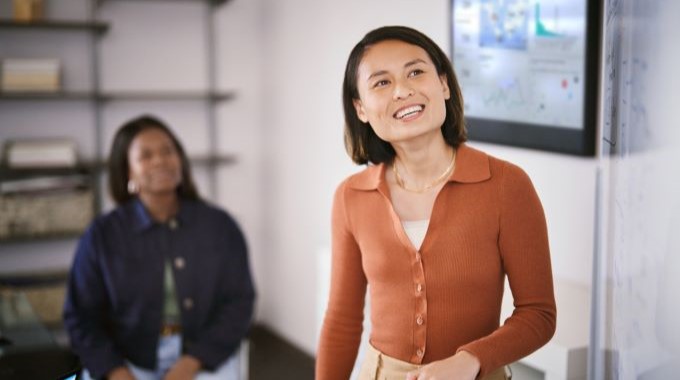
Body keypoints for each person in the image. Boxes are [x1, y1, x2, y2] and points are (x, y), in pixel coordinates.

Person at [316, 26, 556, 380]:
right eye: (381, 83)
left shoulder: (507, 185)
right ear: (361, 108)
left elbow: (539, 314)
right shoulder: (351, 197)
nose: (403, 90)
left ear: (443, 84)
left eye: (415, 72)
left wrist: (471, 359)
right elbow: (342, 321)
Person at [64, 115, 255, 380]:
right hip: (127, 360)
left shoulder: (220, 226)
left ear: (180, 159)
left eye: (168, 151)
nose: (160, 161)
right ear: (127, 170)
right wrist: (116, 372)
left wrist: (191, 363)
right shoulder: (102, 235)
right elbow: (81, 317)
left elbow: (239, 303)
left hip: (204, 358)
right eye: (145, 155)